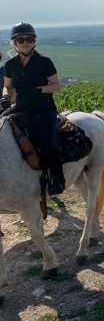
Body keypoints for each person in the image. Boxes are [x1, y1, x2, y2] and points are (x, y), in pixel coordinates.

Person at [3, 22, 65, 195]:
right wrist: (6, 97)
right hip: (22, 105)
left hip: (43, 107)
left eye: (29, 39)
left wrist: (38, 89)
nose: (25, 42)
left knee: (45, 139)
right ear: (14, 43)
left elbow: (56, 86)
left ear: (34, 41)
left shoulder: (44, 62)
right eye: (21, 39)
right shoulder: (11, 65)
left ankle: (57, 178)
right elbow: (9, 86)